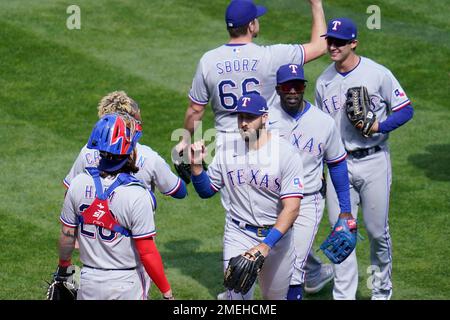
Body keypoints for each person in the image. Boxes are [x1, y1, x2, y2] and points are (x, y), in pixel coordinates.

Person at [176, 0, 332, 295]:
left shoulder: (209, 60)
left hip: (224, 146)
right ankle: (296, 271)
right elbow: (319, 45)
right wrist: (316, 4)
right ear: (251, 26)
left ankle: (293, 269)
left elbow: (195, 111)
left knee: (244, 213)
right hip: (264, 146)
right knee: (278, 205)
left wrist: (186, 142)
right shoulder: (270, 56)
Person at [315, 18, 414, 300]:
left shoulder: (377, 74)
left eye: (339, 42)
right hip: (338, 166)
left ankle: (381, 291)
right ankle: (343, 296)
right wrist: (320, 167)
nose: (332, 46)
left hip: (374, 162)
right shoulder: (324, 81)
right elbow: (323, 128)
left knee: (376, 232)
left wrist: (378, 127)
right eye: (330, 41)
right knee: (341, 234)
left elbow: (406, 110)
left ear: (353, 43)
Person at [189, 94, 305, 300]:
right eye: (240, 117)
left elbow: (292, 209)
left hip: (277, 239)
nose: (244, 123)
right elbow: (207, 191)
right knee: (236, 298)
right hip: (238, 233)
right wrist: (197, 167)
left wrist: (266, 245)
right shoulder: (226, 150)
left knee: (274, 299)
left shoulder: (285, 153)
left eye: (250, 117)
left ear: (265, 117)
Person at [57, 114, 174, 300]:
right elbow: (147, 252)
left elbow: (67, 234)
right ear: (130, 150)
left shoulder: (78, 184)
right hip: (127, 284)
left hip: (88, 283)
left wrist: (64, 268)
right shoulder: (137, 195)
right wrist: (167, 293)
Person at [268, 63, 353, 300]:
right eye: (287, 86)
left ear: (304, 87)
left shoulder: (323, 122)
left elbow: (336, 164)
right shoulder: (265, 119)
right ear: (278, 89)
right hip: (273, 200)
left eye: (297, 85)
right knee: (272, 266)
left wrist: (345, 211)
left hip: (308, 201)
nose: (293, 91)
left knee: (294, 269)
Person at [64, 91, 187, 199]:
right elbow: (179, 192)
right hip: (134, 224)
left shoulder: (88, 150)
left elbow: (69, 194)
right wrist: (191, 171)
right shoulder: (149, 158)